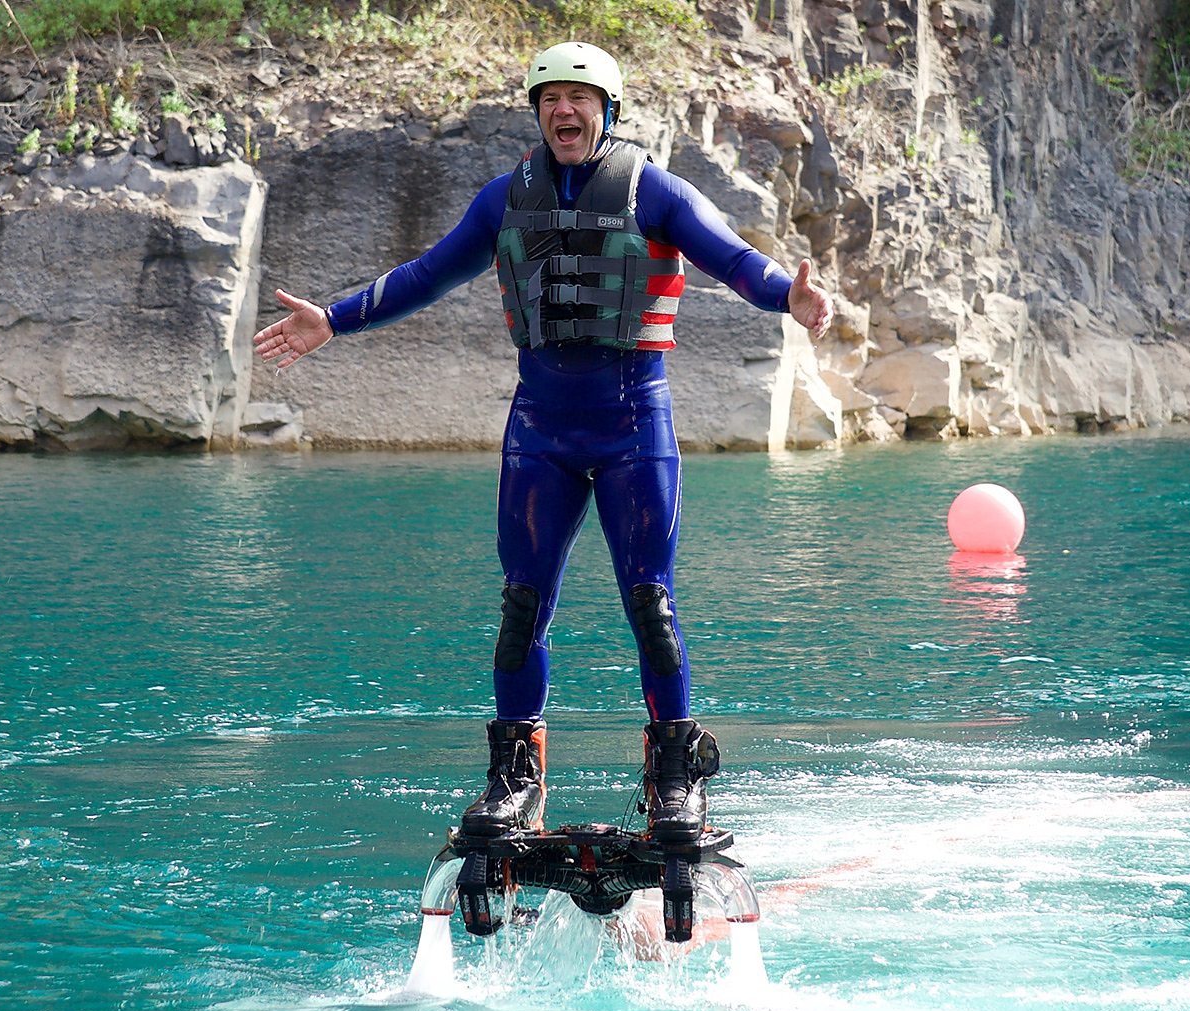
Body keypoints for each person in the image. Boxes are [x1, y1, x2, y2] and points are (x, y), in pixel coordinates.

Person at [253, 41, 832, 846]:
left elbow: (733, 260)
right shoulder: (503, 200)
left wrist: (788, 298)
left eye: (581, 97)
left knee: (650, 607)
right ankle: (514, 781)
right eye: (551, 98)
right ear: (536, 112)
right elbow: (426, 275)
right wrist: (334, 318)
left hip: (635, 428)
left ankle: (675, 780)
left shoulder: (652, 190)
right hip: (539, 433)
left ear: (608, 111)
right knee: (522, 609)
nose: (566, 109)